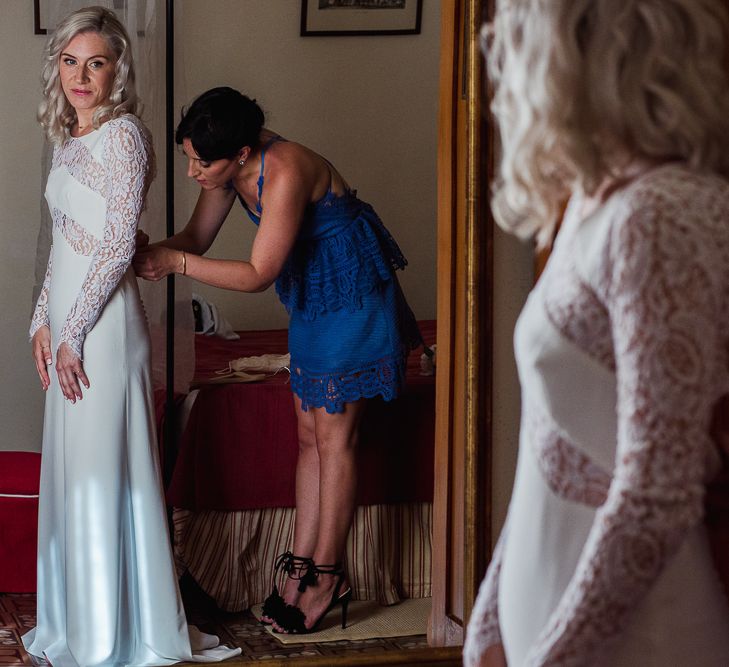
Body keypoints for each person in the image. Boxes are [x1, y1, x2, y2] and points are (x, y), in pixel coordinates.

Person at [463, 0, 729, 665]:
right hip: (545, 609)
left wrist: (555, 652)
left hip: (635, 631)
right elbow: (547, 447)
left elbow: (657, 490)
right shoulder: (592, 198)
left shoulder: (662, 210)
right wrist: (491, 611)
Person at [133, 86, 422, 634]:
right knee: (309, 435)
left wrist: (177, 264)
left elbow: (258, 273)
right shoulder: (228, 167)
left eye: (202, 161)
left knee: (336, 437)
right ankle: (299, 569)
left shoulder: (283, 169)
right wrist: (137, 252)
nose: (193, 171)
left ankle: (328, 576)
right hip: (315, 294)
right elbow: (195, 238)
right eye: (189, 157)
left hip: (354, 295)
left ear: (241, 152)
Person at [26, 7, 240, 665]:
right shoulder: (68, 141)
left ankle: (112, 633)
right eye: (70, 61)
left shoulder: (124, 138)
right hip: (67, 321)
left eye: (96, 63)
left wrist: (76, 332)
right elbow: (66, 244)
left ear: (117, 69)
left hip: (106, 327)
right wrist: (42, 320)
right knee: (75, 477)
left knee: (102, 472)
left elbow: (117, 244)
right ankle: (77, 623)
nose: (81, 76)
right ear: (57, 66)